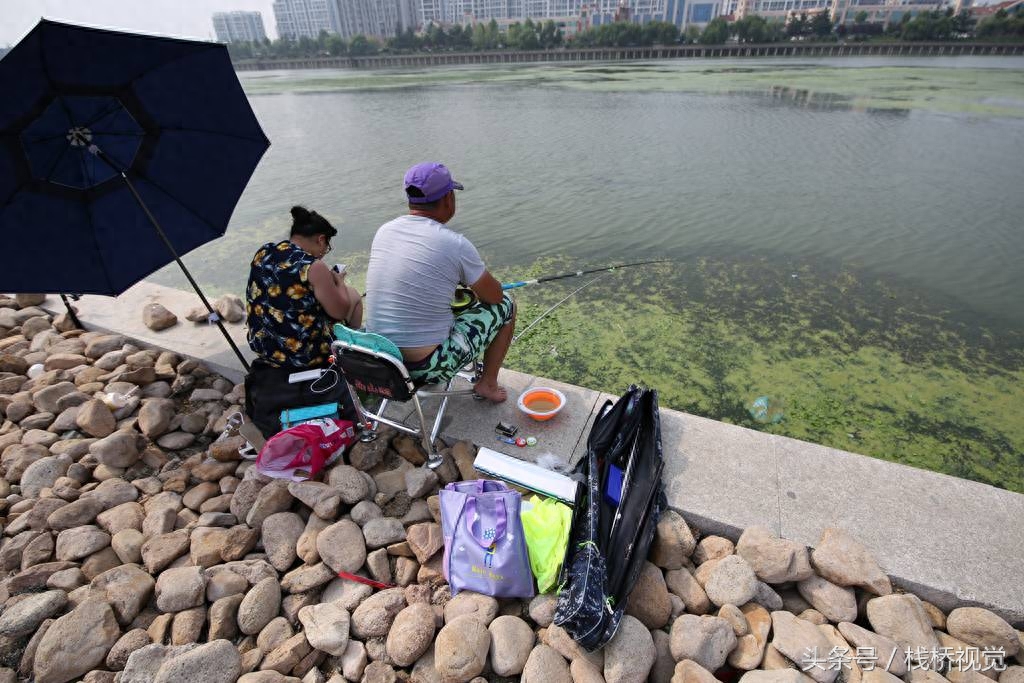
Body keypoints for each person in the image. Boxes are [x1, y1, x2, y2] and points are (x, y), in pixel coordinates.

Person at [365, 162, 516, 402]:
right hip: (426, 366)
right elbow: (495, 297)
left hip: (379, 358)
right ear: (448, 199)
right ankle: (487, 384)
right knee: (507, 304)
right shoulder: (454, 244)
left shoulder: (384, 231)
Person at [243, 206, 362, 436]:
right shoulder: (313, 266)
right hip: (305, 354)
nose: (324, 252)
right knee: (354, 297)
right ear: (320, 239)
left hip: (268, 348)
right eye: (326, 246)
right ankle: (352, 350)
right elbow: (339, 311)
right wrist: (338, 282)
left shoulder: (264, 252)